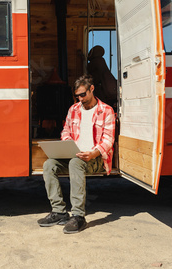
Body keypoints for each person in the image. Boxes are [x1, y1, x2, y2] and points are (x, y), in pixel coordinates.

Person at [37, 74, 115, 234]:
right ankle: (59, 212)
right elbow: (65, 131)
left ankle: (79, 216)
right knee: (49, 164)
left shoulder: (106, 110)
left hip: (96, 158)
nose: (80, 99)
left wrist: (93, 154)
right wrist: (67, 144)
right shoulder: (73, 109)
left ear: (91, 89)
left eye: (83, 94)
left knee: (75, 163)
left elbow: (108, 140)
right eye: (77, 95)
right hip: (74, 155)